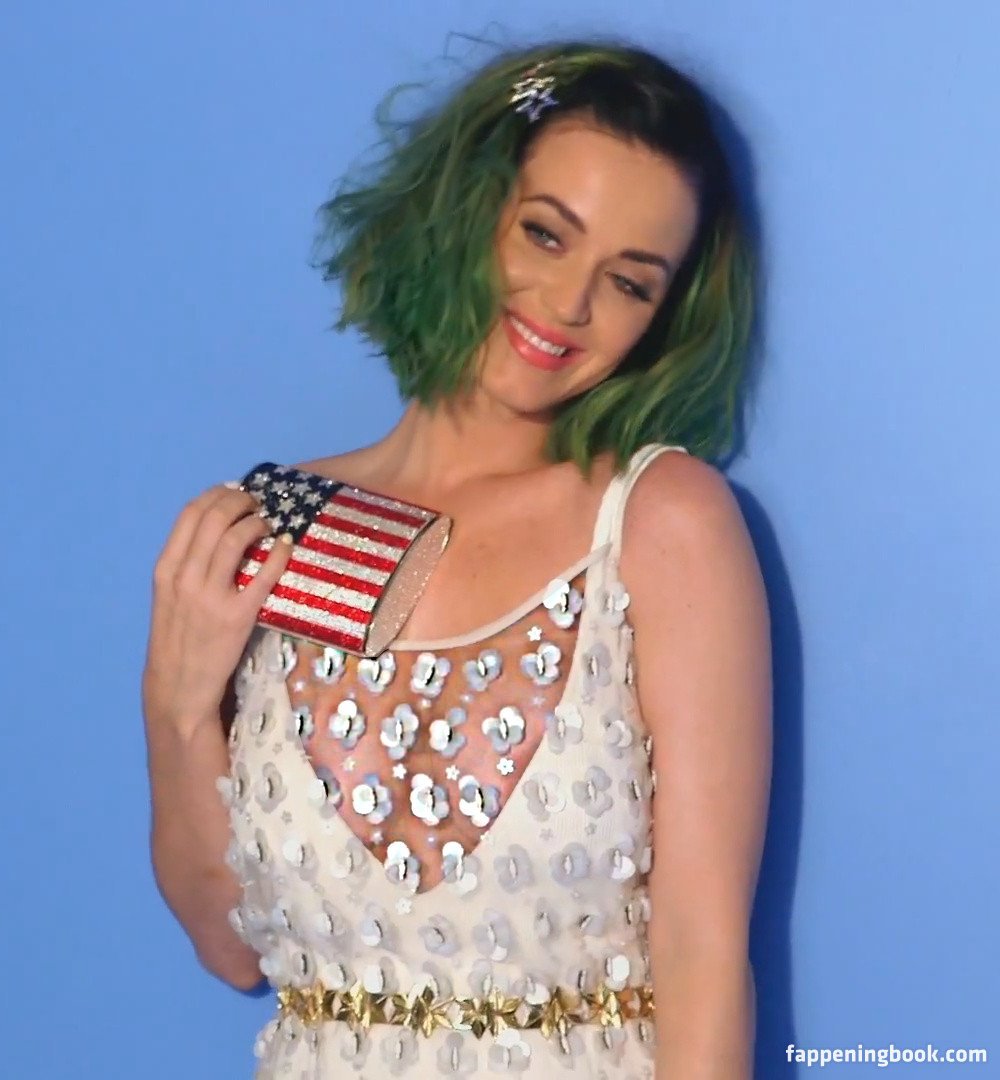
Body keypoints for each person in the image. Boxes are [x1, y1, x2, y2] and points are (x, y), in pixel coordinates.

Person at [143, 37, 772, 1079]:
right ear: (463, 208)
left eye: (628, 282)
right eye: (544, 233)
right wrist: (174, 710)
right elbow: (230, 949)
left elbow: (704, 959)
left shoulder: (659, 520)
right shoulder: (282, 520)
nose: (568, 306)